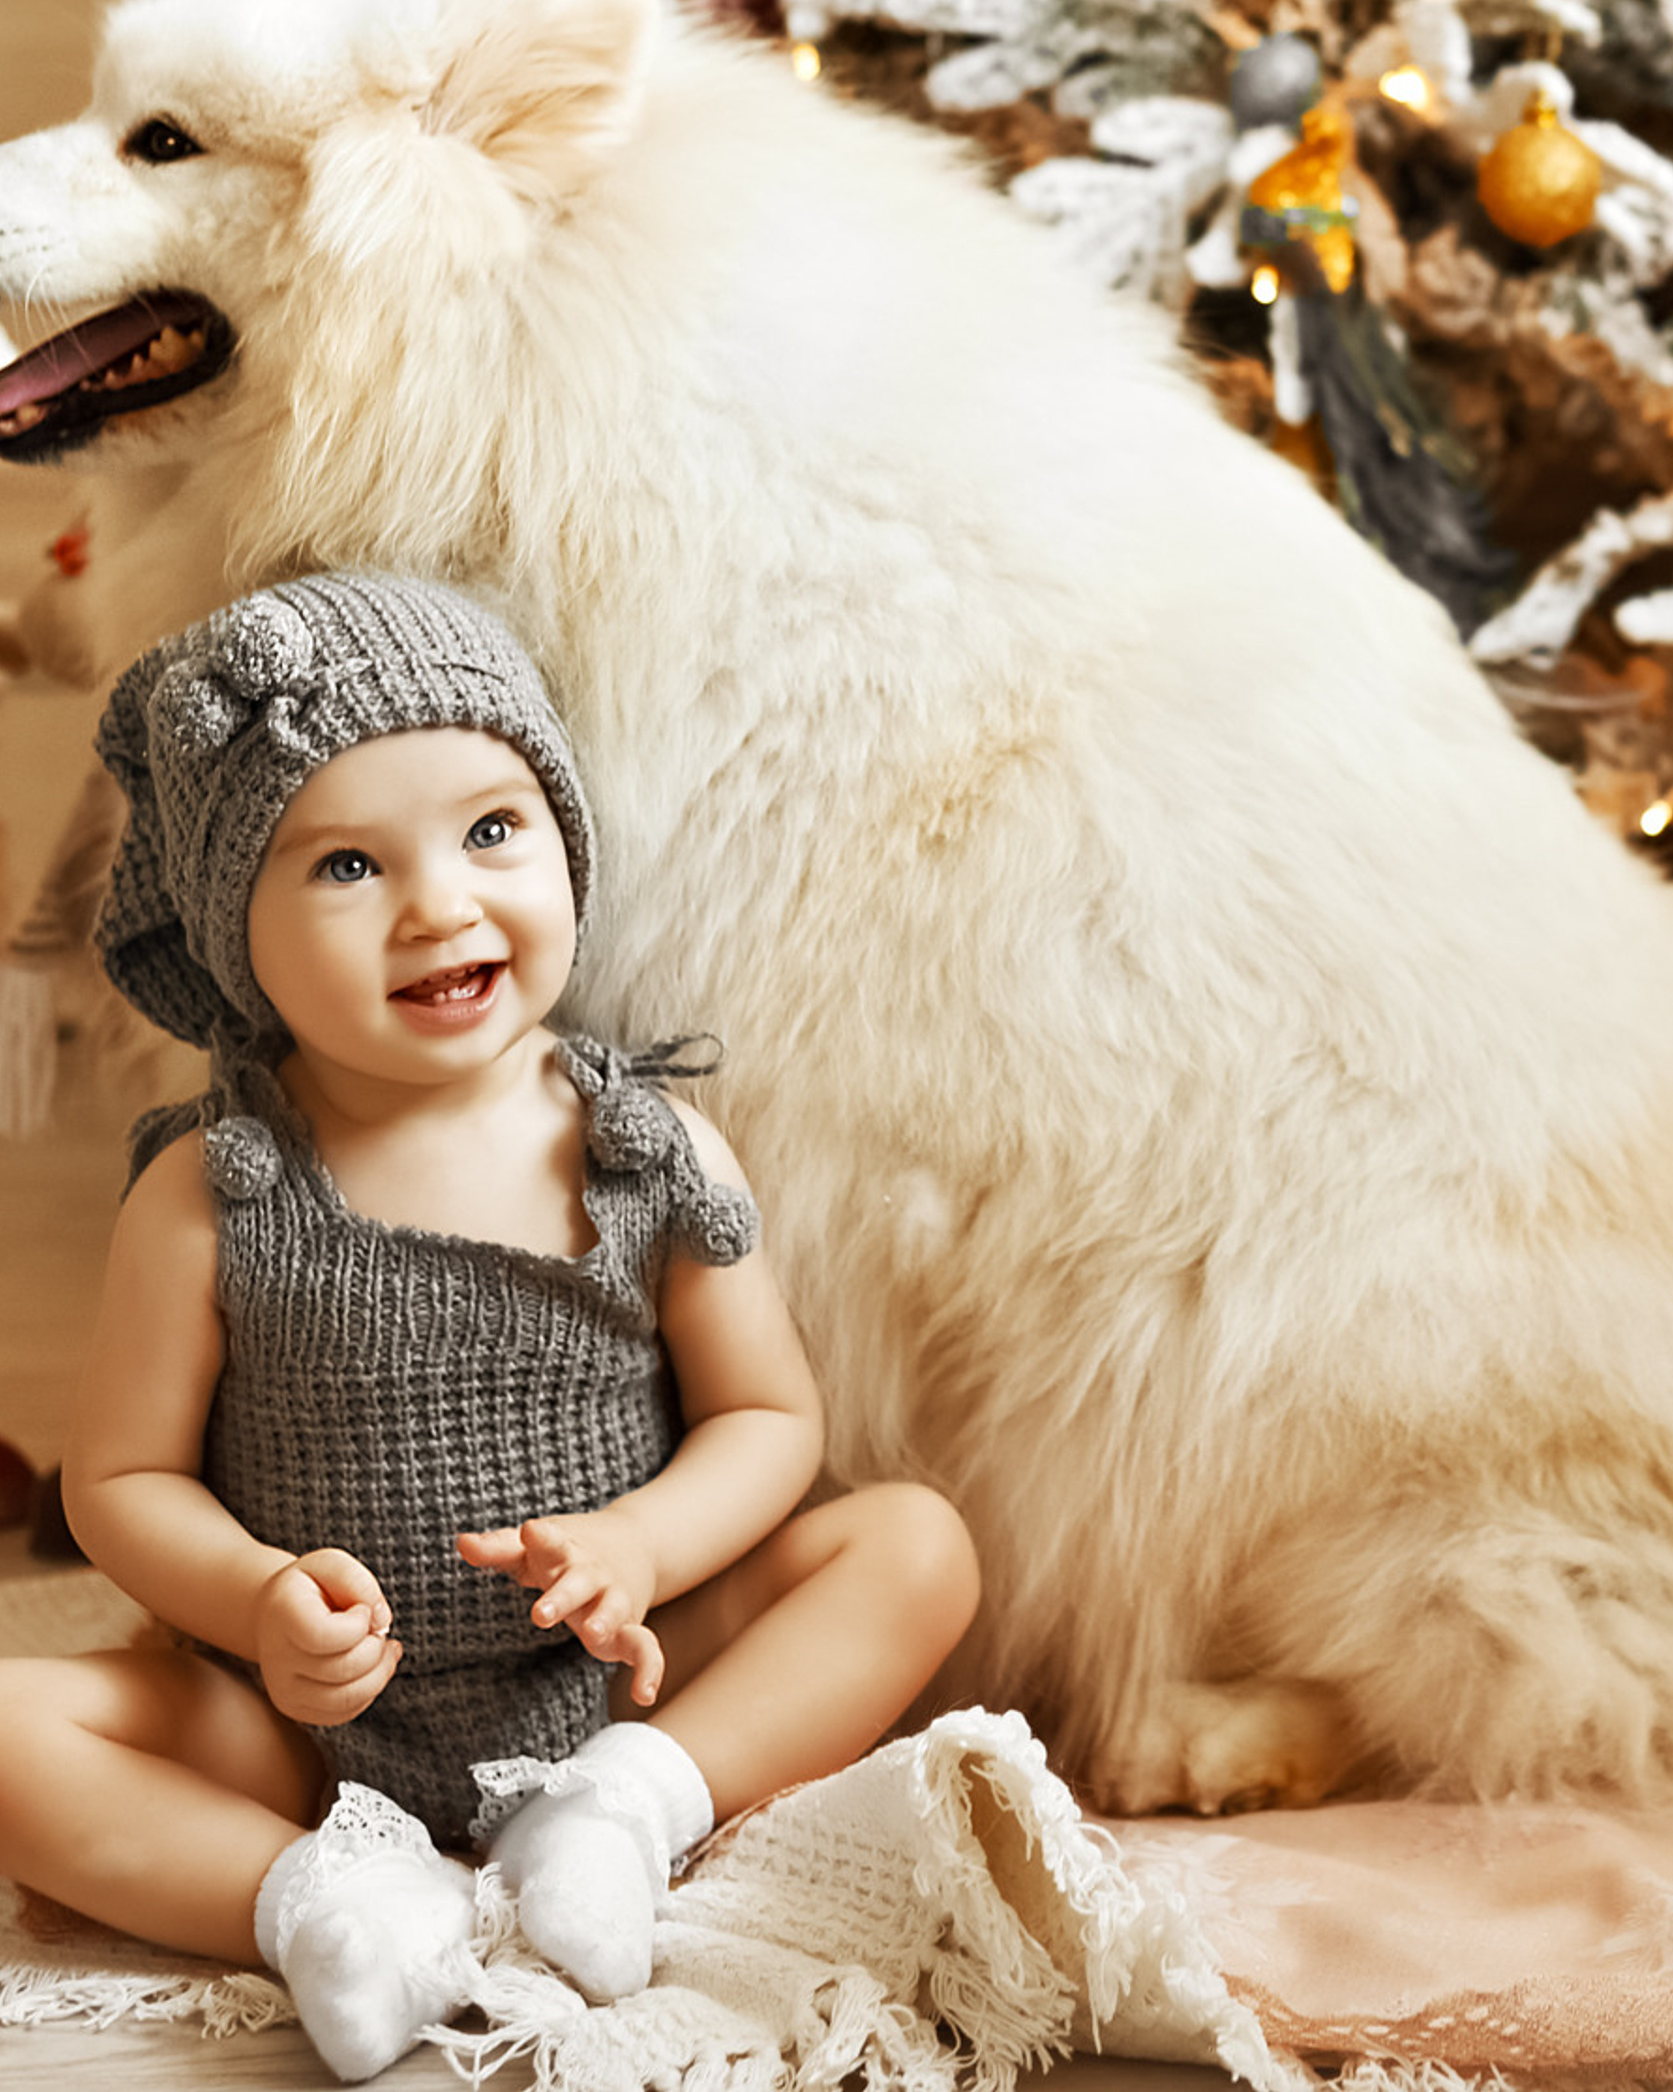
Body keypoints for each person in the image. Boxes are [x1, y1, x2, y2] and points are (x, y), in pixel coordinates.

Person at [0, 573, 980, 2082]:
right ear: (230, 927)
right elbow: (117, 1480)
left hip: (613, 1670)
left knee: (914, 1545)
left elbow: (767, 1422)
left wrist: (645, 1545)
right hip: (296, 1720)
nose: (441, 903)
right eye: (343, 864)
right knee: (11, 1725)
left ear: (566, 842)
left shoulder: (645, 1149)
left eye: (492, 830)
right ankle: (323, 1897)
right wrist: (260, 1602)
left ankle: (627, 1810)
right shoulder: (216, 1190)